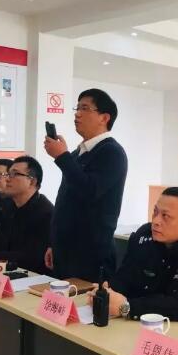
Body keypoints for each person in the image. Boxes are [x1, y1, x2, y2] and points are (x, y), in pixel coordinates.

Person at [87, 187, 178, 334]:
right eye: (155, 212)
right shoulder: (144, 236)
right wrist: (107, 292)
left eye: (165, 216)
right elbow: (126, 275)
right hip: (150, 324)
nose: (156, 221)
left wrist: (127, 307)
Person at [44, 88, 128, 282]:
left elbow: (90, 190)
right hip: (66, 250)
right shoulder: (77, 154)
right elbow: (65, 202)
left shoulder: (112, 152)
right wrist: (54, 244)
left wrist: (61, 156)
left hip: (90, 253)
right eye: (77, 108)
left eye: (85, 108)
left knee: (85, 301)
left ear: (104, 117)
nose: (77, 114)